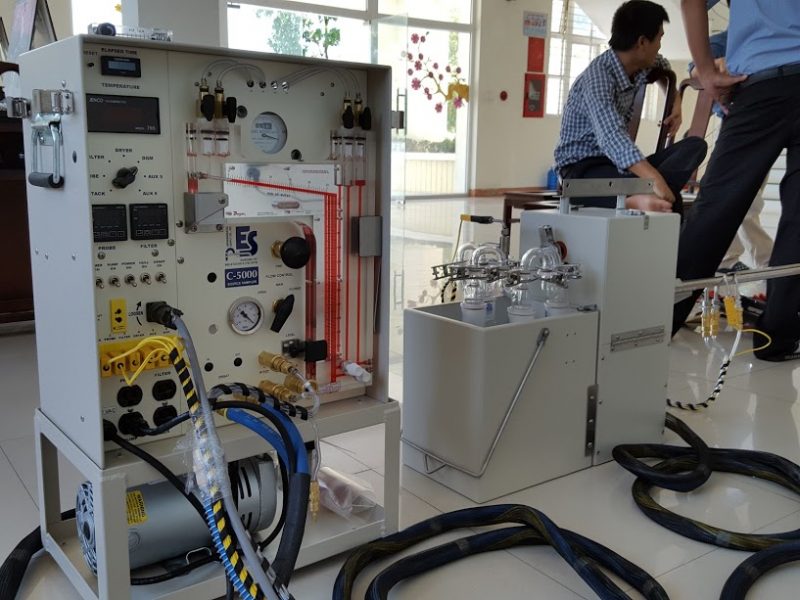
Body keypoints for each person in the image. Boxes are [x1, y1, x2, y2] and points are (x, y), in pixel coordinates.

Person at [673, 0, 800, 361]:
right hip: (759, 81)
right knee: (799, 223)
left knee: (713, 213)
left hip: (758, 84)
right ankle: (779, 338)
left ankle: (654, 325)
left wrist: (705, 70)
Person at [553, 0, 707, 214]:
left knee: (695, 146)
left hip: (616, 168)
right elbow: (612, 138)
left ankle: (637, 194)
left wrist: (676, 101)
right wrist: (656, 180)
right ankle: (632, 200)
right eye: (659, 38)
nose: (660, 46)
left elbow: (663, 66)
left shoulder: (639, 65)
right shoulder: (598, 78)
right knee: (671, 201)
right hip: (581, 171)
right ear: (642, 42)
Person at [689, 1, 774, 275]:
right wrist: (716, 66)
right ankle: (755, 262)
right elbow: (695, 70)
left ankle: (745, 261)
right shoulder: (724, 40)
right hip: (737, 126)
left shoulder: (771, 38)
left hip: (769, 123)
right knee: (741, 199)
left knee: (750, 200)